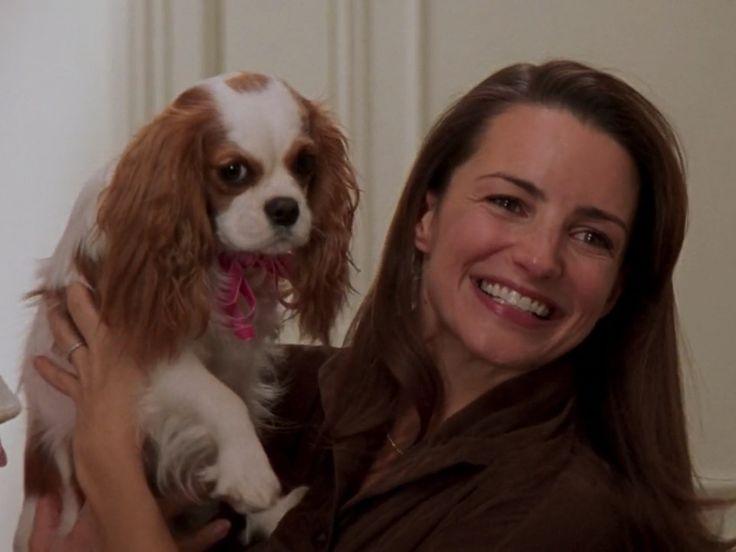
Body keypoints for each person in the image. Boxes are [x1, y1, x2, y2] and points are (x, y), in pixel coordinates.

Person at [27, 60, 732, 550]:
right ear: (426, 215)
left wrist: (111, 468)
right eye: (509, 203)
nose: (540, 258)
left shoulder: (566, 518)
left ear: (618, 287)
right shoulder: (296, 393)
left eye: (591, 236)